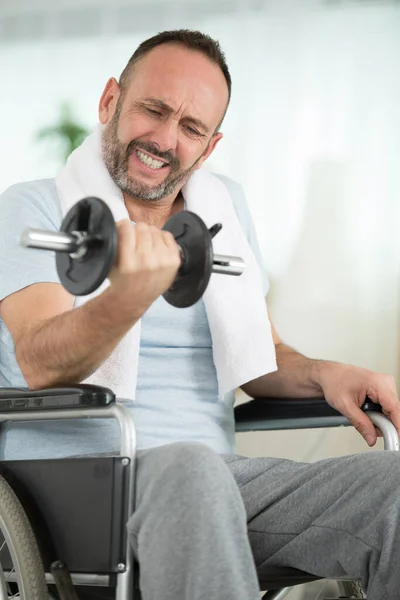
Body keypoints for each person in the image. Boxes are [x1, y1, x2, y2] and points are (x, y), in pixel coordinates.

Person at [0, 29, 399, 600]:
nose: (165, 139)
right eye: (153, 110)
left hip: (217, 484)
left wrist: (323, 374)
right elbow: (38, 360)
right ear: (110, 101)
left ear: (209, 146)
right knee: (191, 469)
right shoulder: (34, 206)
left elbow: (260, 356)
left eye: (190, 128)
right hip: (79, 485)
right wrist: (128, 296)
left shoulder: (223, 210)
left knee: (392, 487)